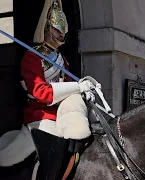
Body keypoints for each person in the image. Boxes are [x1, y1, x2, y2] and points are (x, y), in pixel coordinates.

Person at [20, 0, 95, 179]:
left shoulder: (62, 60)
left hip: (62, 114)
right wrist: (77, 86)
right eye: (57, 29)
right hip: (41, 116)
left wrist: (83, 91)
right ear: (47, 28)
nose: (61, 34)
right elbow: (41, 93)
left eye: (63, 30)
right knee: (54, 151)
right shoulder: (32, 57)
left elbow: (69, 89)